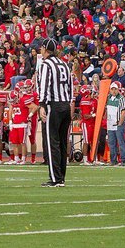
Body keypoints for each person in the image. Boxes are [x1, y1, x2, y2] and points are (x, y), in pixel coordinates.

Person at [36, 39, 74, 186]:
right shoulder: (64, 64)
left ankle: (55, 178)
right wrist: (69, 103)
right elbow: (71, 86)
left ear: (45, 49)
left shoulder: (46, 64)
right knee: (63, 143)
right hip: (65, 104)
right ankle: (61, 177)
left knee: (53, 142)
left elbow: (44, 85)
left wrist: (42, 105)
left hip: (54, 105)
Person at [104, 82, 125, 165]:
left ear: (118, 89)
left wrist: (120, 122)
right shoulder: (108, 98)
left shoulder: (121, 98)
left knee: (121, 142)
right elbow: (106, 110)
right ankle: (113, 160)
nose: (114, 91)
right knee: (111, 143)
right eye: (112, 89)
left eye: (115, 89)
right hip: (110, 124)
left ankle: (123, 160)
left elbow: (124, 111)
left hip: (118, 124)